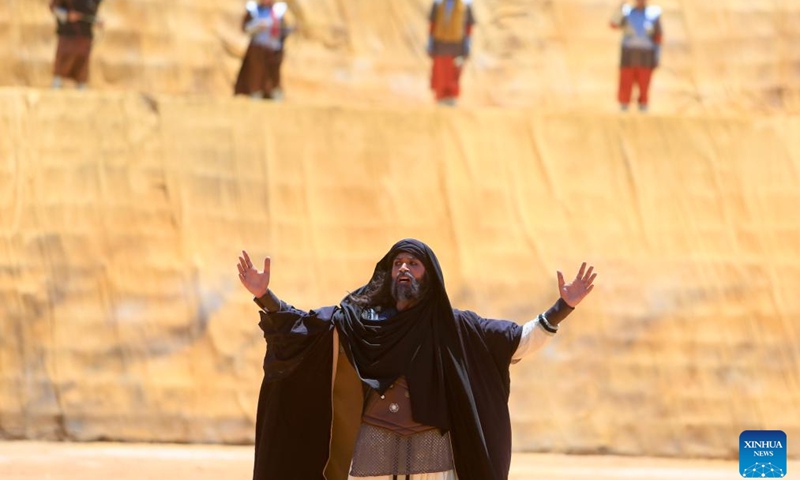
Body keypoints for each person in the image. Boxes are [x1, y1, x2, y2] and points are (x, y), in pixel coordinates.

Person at [237, 239, 597, 480]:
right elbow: (303, 327)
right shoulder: (358, 322)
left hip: (432, 450)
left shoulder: (456, 328)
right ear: (388, 273)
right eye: (398, 263)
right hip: (373, 443)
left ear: (430, 275)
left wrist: (563, 306)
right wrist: (264, 296)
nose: (404, 268)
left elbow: (519, 340)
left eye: (414, 263)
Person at [609, 0, 663, 112]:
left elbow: (658, 37)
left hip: (646, 56)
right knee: (626, 81)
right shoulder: (627, 13)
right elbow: (613, 24)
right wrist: (620, 7)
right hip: (629, 55)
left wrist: (657, 56)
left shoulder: (653, 15)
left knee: (644, 83)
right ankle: (624, 105)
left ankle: (643, 106)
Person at [234, 0, 293, 101]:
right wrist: (257, 26)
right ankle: (255, 94)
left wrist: (289, 30)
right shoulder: (253, 11)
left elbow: (283, 29)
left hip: (274, 50)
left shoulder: (277, 11)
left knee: (273, 75)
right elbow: (245, 28)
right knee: (256, 73)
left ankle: (274, 95)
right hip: (258, 49)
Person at [427, 0, 475, 106]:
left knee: (454, 73)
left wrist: (467, 45)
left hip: (457, 46)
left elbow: (469, 27)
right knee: (440, 72)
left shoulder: (465, 5)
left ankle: (451, 98)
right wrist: (430, 43)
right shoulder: (438, 4)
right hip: (440, 45)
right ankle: (441, 98)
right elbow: (432, 24)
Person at [49, 0, 104, 89]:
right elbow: (53, 7)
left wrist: (97, 20)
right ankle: (57, 82)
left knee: (82, 59)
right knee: (64, 56)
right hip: (67, 32)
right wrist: (67, 15)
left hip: (85, 33)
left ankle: (81, 85)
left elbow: (92, 11)